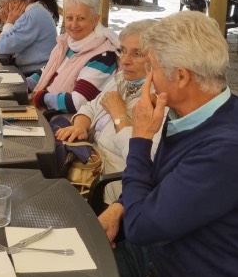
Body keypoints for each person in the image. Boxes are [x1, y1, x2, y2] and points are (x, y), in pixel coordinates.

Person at [39, 11, 238, 277]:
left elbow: (147, 223)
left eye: (154, 68)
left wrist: (141, 138)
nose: (147, 77)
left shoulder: (224, 147)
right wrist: (121, 207)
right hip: (166, 259)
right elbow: (161, 197)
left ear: (180, 76)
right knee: (57, 272)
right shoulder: (199, 115)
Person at [54, 19, 161, 203]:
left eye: (137, 54)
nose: (125, 61)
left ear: (158, 58)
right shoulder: (122, 79)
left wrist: (119, 115)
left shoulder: (160, 99)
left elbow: (144, 158)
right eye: (123, 51)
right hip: (84, 168)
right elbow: (89, 106)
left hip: (110, 190)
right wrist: (80, 126)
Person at [27, 0, 119, 115]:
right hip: (42, 108)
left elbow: (77, 102)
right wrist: (20, 86)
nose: (74, 24)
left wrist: (39, 97)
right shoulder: (66, 43)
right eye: (69, 18)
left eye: (81, 18)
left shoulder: (103, 56)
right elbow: (46, 71)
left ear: (95, 20)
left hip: (62, 121)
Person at [0, 0, 56, 75]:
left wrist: (9, 22)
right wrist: (2, 36)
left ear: (14, 3)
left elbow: (3, 47)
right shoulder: (35, 11)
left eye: (2, 6)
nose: (1, 10)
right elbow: (14, 38)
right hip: (37, 69)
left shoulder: (30, 17)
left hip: (35, 73)